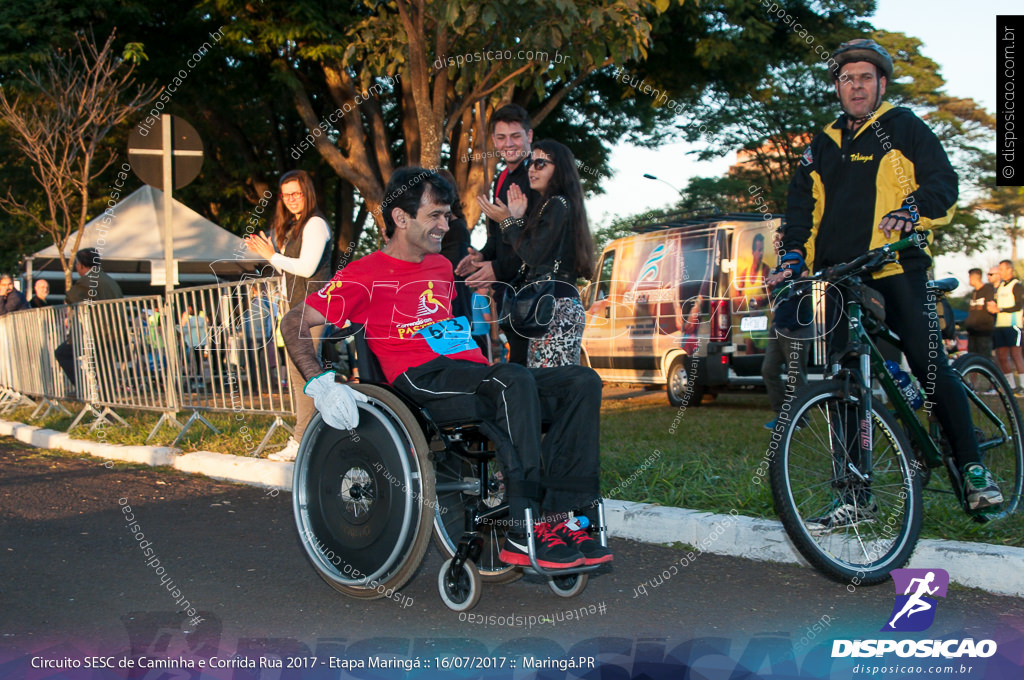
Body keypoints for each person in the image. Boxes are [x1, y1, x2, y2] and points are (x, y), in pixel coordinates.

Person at [280, 167, 611, 568]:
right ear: (401, 219)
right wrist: (321, 382)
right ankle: (524, 528)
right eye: (435, 215)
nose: (447, 223)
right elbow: (293, 321)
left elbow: (455, 333)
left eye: (448, 214)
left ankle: (567, 518)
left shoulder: (439, 267)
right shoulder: (363, 274)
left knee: (581, 381)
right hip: (420, 383)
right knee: (511, 380)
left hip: (473, 376)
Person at [778, 38, 1002, 515]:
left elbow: (943, 184)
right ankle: (856, 496)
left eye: (865, 78)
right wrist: (793, 256)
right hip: (839, 275)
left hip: (899, 264)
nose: (855, 86)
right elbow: (800, 211)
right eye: (846, 78)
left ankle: (972, 465)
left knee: (927, 361)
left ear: (881, 84)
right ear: (837, 87)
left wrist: (912, 210)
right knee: (844, 379)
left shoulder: (904, 128)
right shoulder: (821, 143)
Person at [246, 170, 333, 461]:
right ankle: (315, 436)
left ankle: (302, 441)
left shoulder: (316, 224)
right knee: (302, 376)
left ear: (307, 192)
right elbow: (291, 272)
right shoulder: (296, 226)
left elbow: (307, 268)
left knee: (304, 375)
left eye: (296, 193)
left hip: (313, 308)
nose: (291, 199)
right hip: (296, 309)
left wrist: (272, 256)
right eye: (286, 195)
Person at [487, 139, 596, 367]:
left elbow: (534, 256)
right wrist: (516, 220)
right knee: (549, 385)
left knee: (550, 386)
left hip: (554, 307)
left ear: (559, 169)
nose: (531, 169)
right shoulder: (557, 205)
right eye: (530, 163)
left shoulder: (557, 203)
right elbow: (531, 252)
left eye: (540, 163)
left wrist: (507, 221)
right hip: (554, 303)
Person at [456, 104, 540, 366]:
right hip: (510, 296)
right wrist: (481, 255)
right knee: (520, 373)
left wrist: (496, 268)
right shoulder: (502, 178)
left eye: (516, 136)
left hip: (538, 295)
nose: (509, 144)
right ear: (493, 140)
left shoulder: (538, 176)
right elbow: (498, 237)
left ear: (529, 136)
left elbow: (536, 244)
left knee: (540, 381)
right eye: (502, 137)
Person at [761, 230, 811, 430]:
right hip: (778, 326)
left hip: (797, 328)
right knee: (768, 370)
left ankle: (801, 418)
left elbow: (804, 291)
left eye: (780, 240)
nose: (776, 243)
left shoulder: (799, 264)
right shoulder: (779, 268)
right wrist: (763, 299)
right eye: (775, 240)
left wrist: (793, 324)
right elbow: (778, 294)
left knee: (796, 375)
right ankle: (782, 416)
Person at [54, 249, 123, 387]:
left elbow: (71, 297)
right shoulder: (109, 279)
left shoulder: (87, 281)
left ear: (81, 265)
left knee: (62, 353)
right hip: (113, 330)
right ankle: (107, 400)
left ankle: (83, 387)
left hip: (96, 330)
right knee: (105, 367)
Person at [988, 259, 1024, 393]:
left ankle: (1023, 386)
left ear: (1009, 270)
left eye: (1002, 269)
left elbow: (1018, 305)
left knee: (1016, 355)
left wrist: (1000, 309)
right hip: (1000, 326)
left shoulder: (1016, 285)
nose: (1000, 272)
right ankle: (1010, 386)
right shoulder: (1000, 286)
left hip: (1013, 325)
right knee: (1002, 357)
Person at [965, 267, 996, 359]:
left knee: (984, 358)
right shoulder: (974, 293)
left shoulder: (987, 290)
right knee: (972, 358)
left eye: (969, 278)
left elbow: (992, 307)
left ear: (974, 277)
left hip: (983, 331)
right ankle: (973, 373)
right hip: (972, 332)